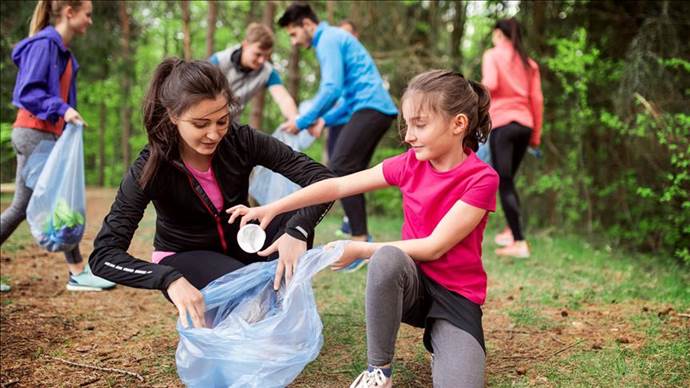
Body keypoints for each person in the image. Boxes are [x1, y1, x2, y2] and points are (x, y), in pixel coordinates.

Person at [228, 70, 498, 388]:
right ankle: (378, 371)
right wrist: (274, 207)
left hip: (456, 297)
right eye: (407, 124)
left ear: (458, 124)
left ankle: (443, 340)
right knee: (388, 258)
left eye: (420, 124)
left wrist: (358, 249)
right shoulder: (410, 163)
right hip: (410, 284)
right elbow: (338, 185)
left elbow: (434, 246)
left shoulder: (481, 179)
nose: (409, 135)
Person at [88, 59, 333, 329]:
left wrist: (297, 230)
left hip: (242, 241)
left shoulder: (241, 140)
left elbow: (323, 180)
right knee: (248, 301)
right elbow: (104, 255)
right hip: (186, 256)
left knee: (293, 217)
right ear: (173, 115)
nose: (214, 134)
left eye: (222, 120)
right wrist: (168, 279)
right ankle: (259, 308)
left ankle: (275, 305)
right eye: (200, 124)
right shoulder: (151, 167)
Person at [1, 0, 114, 292]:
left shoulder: (62, 52)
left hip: (44, 134)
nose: (90, 21)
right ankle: (77, 271)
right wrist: (63, 110)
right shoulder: (44, 46)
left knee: (30, 205)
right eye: (87, 15)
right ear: (69, 12)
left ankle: (77, 270)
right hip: (34, 133)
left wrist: (65, 119)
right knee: (53, 202)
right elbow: (28, 91)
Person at [277, 4, 399, 262]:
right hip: (371, 108)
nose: (294, 41)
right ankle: (362, 241)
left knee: (341, 167)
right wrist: (324, 120)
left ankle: (359, 242)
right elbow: (346, 98)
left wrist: (303, 120)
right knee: (352, 172)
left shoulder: (328, 40)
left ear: (307, 24)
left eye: (293, 34)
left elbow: (331, 88)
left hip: (372, 108)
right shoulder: (335, 38)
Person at [482, 18, 543, 258]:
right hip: (525, 126)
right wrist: (536, 136)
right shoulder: (529, 63)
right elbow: (537, 100)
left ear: (498, 33)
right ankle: (511, 230)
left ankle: (519, 242)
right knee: (509, 179)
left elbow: (491, 83)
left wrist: (470, 95)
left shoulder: (493, 55)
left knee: (504, 181)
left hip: (503, 124)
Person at [209, 22, 299, 121]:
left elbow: (283, 98)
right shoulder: (218, 61)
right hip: (207, 118)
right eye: (258, 54)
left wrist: (295, 119)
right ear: (245, 45)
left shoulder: (267, 71)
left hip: (231, 123)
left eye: (266, 56)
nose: (262, 60)